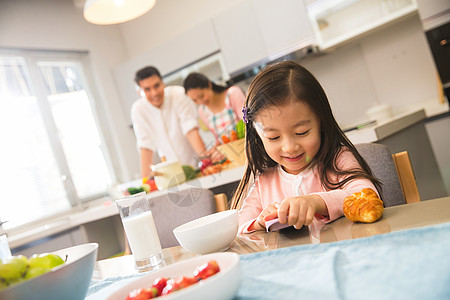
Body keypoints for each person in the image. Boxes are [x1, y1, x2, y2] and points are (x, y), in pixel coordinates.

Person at [230, 61, 381, 234]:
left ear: (321, 122)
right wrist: (260, 223)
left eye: (301, 132)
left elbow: (367, 195)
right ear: (258, 137)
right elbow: (237, 230)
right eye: (274, 137)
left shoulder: (339, 159)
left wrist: (316, 202)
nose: (289, 147)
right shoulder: (264, 181)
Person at [131, 66, 221, 178]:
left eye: (157, 86)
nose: (154, 93)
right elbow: (145, 146)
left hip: (196, 166)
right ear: (140, 92)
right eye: (147, 89)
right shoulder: (138, 110)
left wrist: (206, 162)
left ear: (162, 83)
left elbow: (190, 129)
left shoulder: (178, 94)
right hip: (171, 175)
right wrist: (145, 183)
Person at [183, 72, 246, 144]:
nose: (200, 101)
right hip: (231, 152)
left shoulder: (233, 93)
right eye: (194, 100)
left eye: (201, 96)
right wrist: (215, 149)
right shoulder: (202, 111)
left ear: (209, 85)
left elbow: (248, 124)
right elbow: (218, 139)